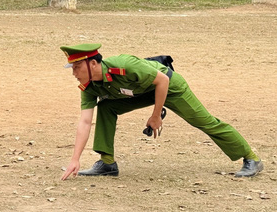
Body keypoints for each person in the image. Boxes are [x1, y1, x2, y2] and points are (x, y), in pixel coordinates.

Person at [60, 44, 263, 180]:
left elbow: (162, 80)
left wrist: (156, 116)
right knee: (106, 106)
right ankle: (107, 164)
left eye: (77, 67)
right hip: (141, 92)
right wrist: (75, 159)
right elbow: (85, 122)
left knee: (203, 121)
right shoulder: (89, 86)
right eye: (72, 68)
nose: (74, 73)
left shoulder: (123, 65)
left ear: (93, 63)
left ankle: (251, 157)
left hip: (169, 86)